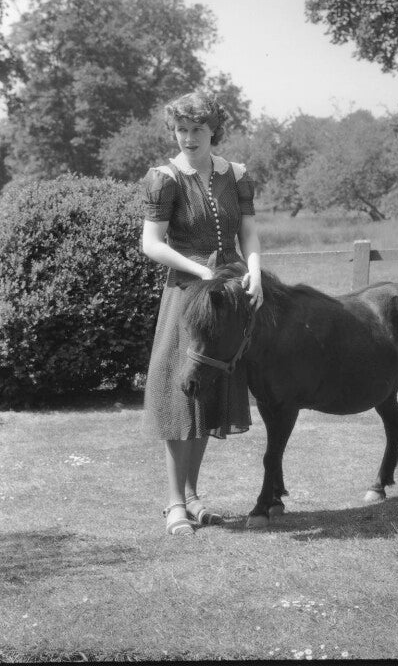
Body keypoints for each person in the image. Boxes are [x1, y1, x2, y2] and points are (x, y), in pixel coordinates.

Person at [141, 90, 263, 536]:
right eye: (181, 130)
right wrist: (198, 269)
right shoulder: (164, 178)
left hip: (229, 291)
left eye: (197, 129)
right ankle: (174, 504)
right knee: (180, 392)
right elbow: (151, 243)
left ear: (214, 130)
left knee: (211, 390)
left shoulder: (238, 176)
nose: (188, 138)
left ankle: (193, 497)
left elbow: (248, 232)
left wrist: (255, 271)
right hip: (187, 293)